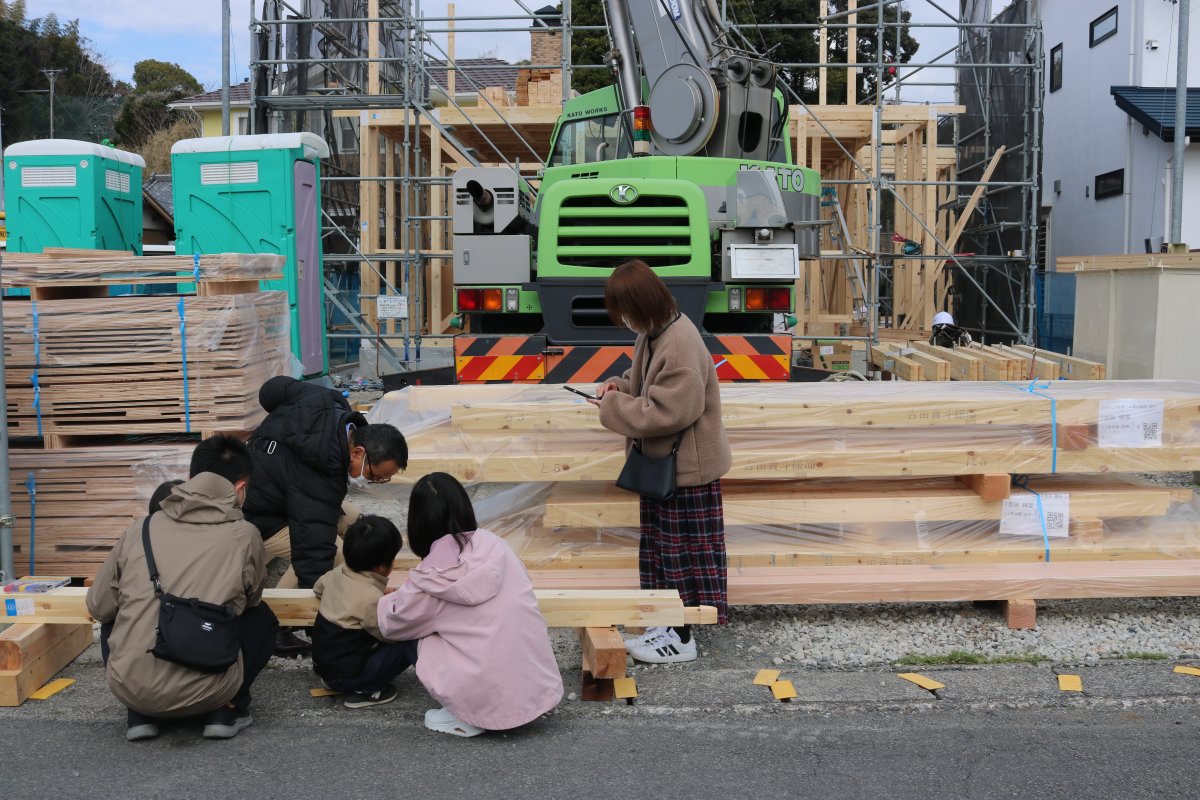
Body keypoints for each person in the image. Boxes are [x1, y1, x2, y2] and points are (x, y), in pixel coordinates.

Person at [86, 436, 279, 742]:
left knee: (114, 611)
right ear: (240, 488)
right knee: (262, 617)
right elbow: (250, 600)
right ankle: (227, 709)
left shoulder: (140, 529)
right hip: (210, 690)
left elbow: (98, 606)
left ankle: (140, 714)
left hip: (131, 690)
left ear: (191, 479)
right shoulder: (245, 534)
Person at [590, 259, 732, 664]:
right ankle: (665, 625)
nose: (624, 320)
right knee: (662, 552)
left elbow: (667, 412)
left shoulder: (679, 344)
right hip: (669, 466)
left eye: (625, 312)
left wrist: (611, 408)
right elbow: (644, 380)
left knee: (680, 554)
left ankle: (681, 638)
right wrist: (617, 386)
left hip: (687, 471)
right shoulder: (655, 332)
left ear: (642, 304)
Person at [376, 472, 563, 737]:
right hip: (535, 689)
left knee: (413, 632)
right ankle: (506, 700)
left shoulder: (432, 576)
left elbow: (393, 623)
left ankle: (465, 713)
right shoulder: (497, 546)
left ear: (418, 523)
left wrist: (387, 599)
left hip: (484, 699)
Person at [241, 376, 408, 656]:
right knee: (338, 554)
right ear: (358, 452)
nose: (373, 482)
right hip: (260, 515)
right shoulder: (320, 478)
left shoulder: (328, 403)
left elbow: (271, 390)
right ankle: (276, 625)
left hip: (276, 487)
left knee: (356, 520)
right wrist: (317, 620)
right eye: (375, 476)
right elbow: (313, 548)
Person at [311, 514, 415, 709]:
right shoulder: (369, 598)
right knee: (407, 640)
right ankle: (367, 689)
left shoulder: (337, 573)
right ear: (382, 566)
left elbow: (318, 589)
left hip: (325, 667)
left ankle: (340, 681)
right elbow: (388, 634)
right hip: (347, 675)